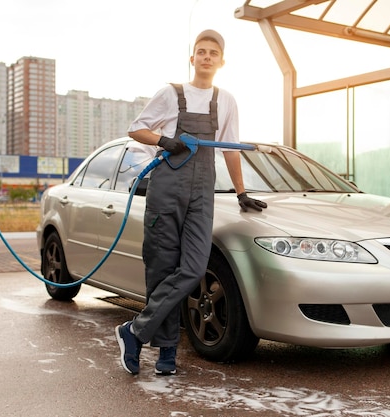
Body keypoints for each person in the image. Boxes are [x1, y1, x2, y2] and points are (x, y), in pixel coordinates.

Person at [115, 29, 267, 376]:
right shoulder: (171, 93)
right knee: (161, 270)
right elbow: (137, 128)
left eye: (214, 52)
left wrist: (242, 192)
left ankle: (135, 331)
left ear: (222, 61)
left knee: (194, 268)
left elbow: (230, 148)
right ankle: (166, 353)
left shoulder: (225, 100)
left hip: (201, 193)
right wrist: (166, 141)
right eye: (202, 51)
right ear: (192, 58)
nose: (207, 57)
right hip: (166, 190)